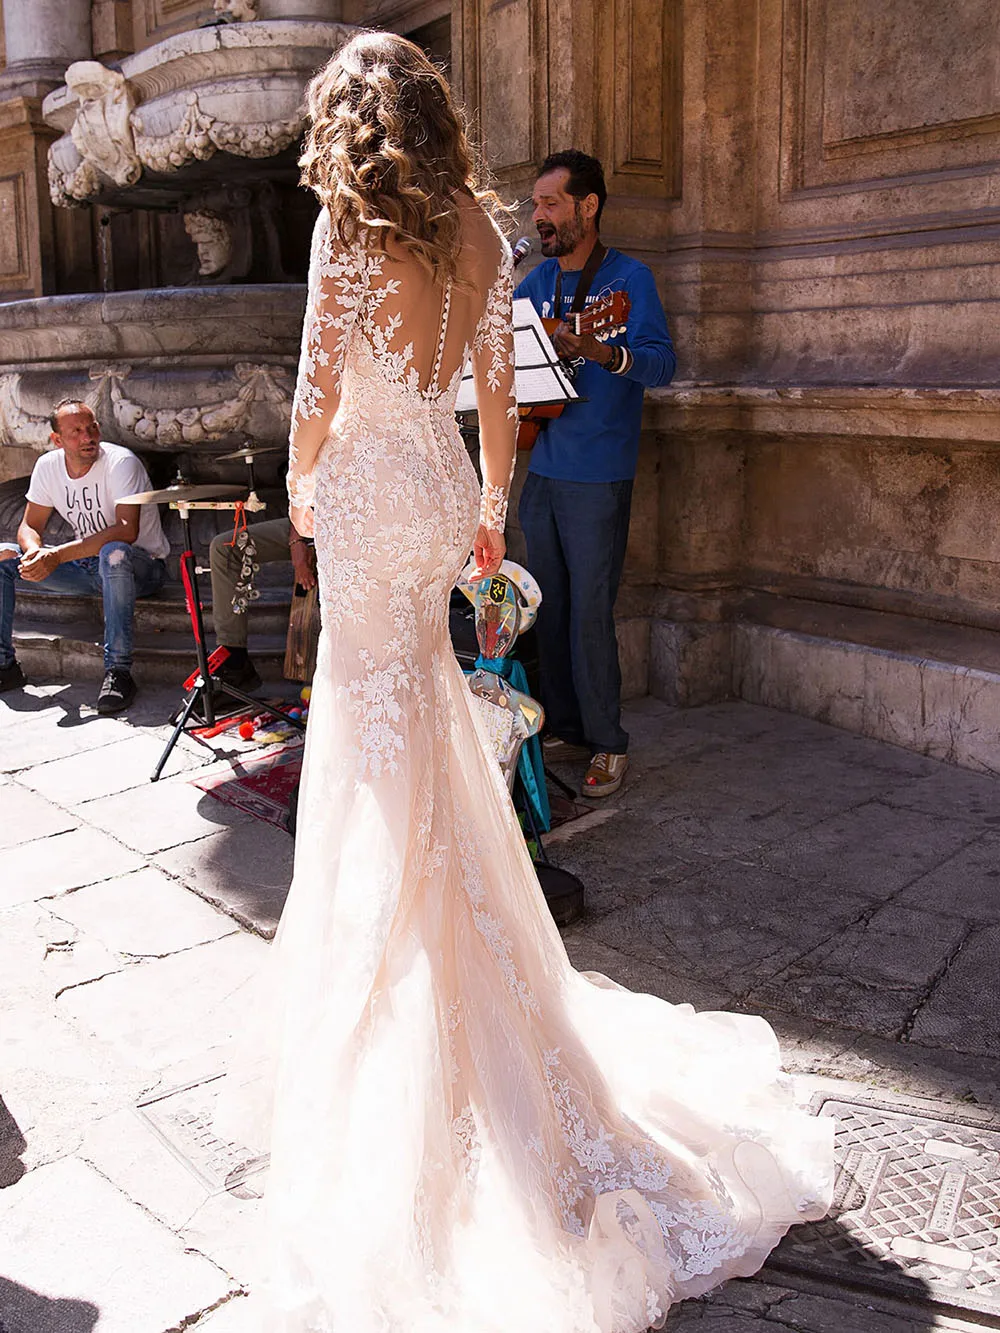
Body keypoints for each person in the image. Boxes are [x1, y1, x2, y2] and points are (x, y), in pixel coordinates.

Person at [218, 32, 831, 1333]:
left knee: (372, 747)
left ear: (348, 126)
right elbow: (497, 397)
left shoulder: (349, 229)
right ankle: (452, 974)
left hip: (369, 494)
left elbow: (317, 392)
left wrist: (299, 493)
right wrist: (491, 513)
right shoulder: (482, 236)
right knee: (426, 725)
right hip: (443, 495)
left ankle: (395, 1015)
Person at [515, 151, 676, 797]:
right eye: (536, 204)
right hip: (540, 465)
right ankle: (567, 724)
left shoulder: (630, 279)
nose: (539, 216)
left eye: (551, 203)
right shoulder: (532, 283)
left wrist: (604, 351)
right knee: (547, 609)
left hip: (599, 474)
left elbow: (662, 365)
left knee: (588, 613)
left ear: (588, 206)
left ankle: (609, 742)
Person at [0, 401, 168, 713]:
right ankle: (4, 666)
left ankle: (118, 672)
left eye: (92, 428)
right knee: (4, 557)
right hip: (88, 567)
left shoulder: (121, 462)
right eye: (76, 431)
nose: (88, 437)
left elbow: (126, 531)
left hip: (141, 568)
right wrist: (35, 552)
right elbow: (29, 525)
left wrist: (57, 556)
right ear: (57, 440)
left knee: (113, 552)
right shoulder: (48, 466)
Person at [208, 514, 316, 691]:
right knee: (225, 547)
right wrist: (296, 541)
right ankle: (235, 663)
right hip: (312, 521)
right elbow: (303, 500)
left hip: (354, 525)